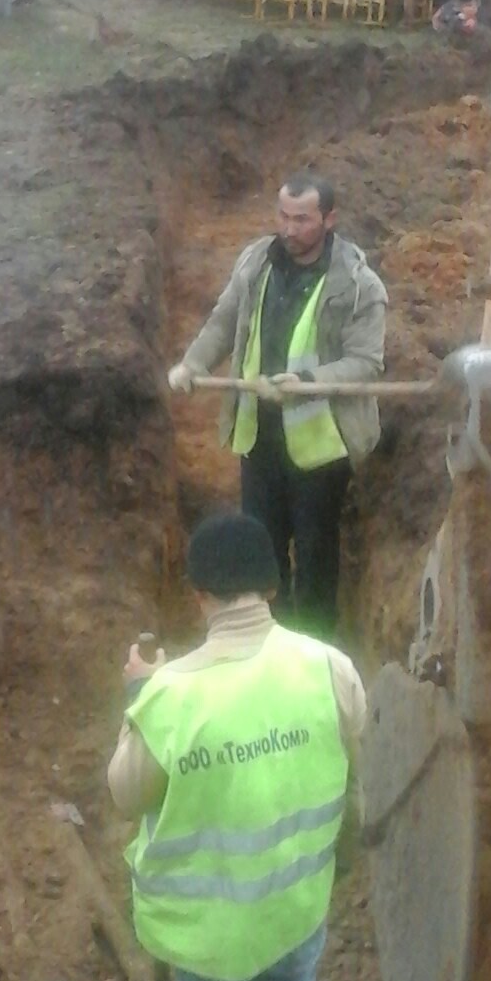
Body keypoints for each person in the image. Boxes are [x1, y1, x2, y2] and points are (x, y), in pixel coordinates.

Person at [108, 512, 368, 981]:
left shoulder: (172, 696)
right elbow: (357, 741)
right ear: (272, 588)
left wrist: (138, 698)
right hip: (296, 903)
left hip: (214, 926)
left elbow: (124, 794)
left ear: (199, 598)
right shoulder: (327, 666)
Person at [167, 173, 387, 639]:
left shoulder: (356, 284)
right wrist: (192, 363)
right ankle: (268, 641)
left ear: (329, 219)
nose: (289, 229)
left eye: (302, 219)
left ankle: (315, 645)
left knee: (314, 554)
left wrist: (307, 382)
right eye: (283, 217)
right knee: (263, 548)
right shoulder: (256, 263)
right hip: (260, 435)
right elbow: (224, 321)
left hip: (320, 444)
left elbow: (366, 363)